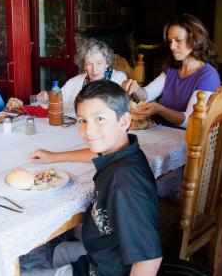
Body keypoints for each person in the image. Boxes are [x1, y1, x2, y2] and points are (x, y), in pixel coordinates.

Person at [25, 80, 162, 276]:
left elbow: (149, 260)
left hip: (104, 269)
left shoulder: (125, 183)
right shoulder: (123, 150)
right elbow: (96, 154)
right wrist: (54, 157)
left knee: (25, 271)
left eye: (99, 119)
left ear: (124, 121)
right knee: (49, 252)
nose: (88, 130)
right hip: (104, 248)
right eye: (82, 120)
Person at [122, 14, 220, 128]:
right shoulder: (172, 69)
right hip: (168, 132)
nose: (172, 46)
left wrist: (159, 109)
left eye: (178, 40)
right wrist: (136, 88)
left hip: (191, 139)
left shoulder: (208, 76)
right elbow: (146, 96)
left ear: (196, 40)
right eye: (170, 41)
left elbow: (190, 121)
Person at [38, 39, 127, 106]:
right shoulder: (74, 82)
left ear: (107, 63)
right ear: (84, 66)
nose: (94, 69)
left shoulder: (118, 78)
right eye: (89, 64)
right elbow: (57, 100)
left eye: (99, 63)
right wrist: (47, 97)